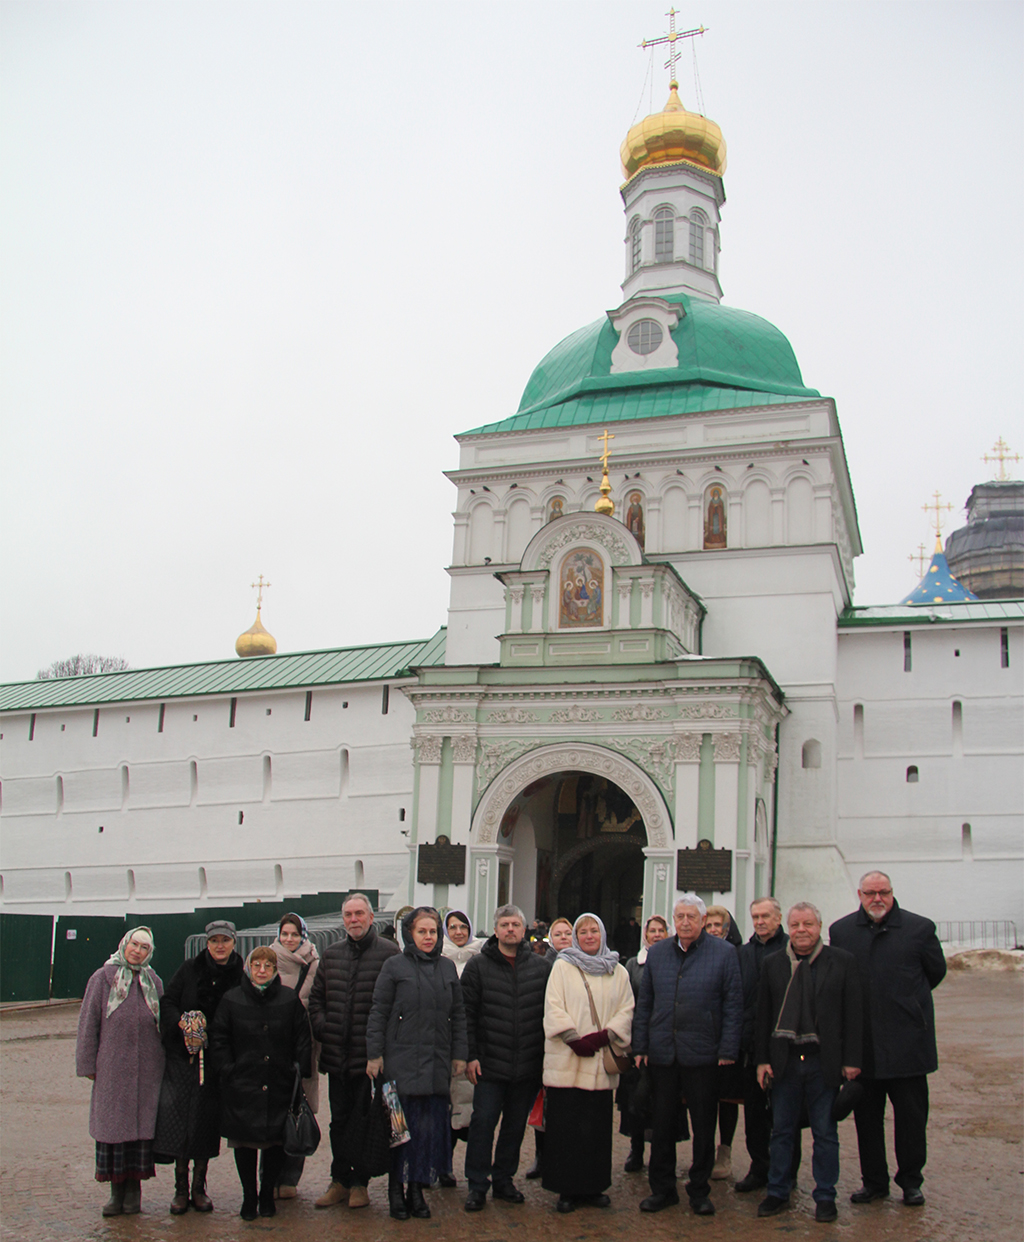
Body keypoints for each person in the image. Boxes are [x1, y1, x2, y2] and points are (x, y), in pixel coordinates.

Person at [829, 870, 947, 1208]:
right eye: (870, 893)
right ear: (860, 895)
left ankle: (911, 1181)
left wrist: (907, 1003)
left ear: (892, 893)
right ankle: (874, 1182)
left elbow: (935, 971)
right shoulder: (842, 932)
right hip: (863, 1046)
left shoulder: (919, 929)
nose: (877, 899)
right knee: (867, 1120)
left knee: (911, 1119)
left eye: (883, 892)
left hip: (908, 1043)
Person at [632, 894, 742, 1217]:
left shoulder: (724, 953)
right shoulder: (659, 953)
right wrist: (641, 1046)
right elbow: (645, 1003)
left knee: (704, 1126)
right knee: (662, 1124)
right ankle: (663, 1189)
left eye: (691, 917)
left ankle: (699, 1190)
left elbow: (733, 1004)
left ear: (703, 920)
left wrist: (728, 1048)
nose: (684, 922)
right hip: (663, 1052)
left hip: (703, 1053)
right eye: (679, 917)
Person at [755, 903, 863, 1223]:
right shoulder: (773, 964)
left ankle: (825, 1196)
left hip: (822, 1061)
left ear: (819, 926)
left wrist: (852, 1060)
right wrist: (762, 1060)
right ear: (788, 927)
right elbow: (763, 1016)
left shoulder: (841, 961)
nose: (801, 930)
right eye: (796, 925)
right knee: (781, 1131)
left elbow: (853, 1014)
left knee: (825, 1132)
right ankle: (777, 1191)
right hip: (785, 1061)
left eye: (808, 924)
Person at [365, 907, 468, 1221]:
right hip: (398, 1065)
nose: (428, 937)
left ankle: (416, 1189)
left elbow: (458, 1015)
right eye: (422, 931)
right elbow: (378, 1011)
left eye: (433, 931)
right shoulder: (394, 966)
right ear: (410, 933)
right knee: (398, 1131)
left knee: (426, 1132)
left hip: (435, 1064)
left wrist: (459, 1054)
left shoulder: (447, 968)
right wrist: (374, 1054)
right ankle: (395, 1189)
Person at [307, 892, 399, 1210]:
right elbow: (316, 1000)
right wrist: (325, 1028)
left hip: (370, 1058)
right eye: (348, 915)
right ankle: (340, 1180)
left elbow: (396, 1005)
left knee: (366, 1121)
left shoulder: (389, 953)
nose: (354, 919)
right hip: (337, 1057)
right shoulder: (331, 954)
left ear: (371, 917)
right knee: (339, 1122)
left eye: (359, 914)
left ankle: (360, 1182)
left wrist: (380, 1047)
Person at [209, 946, 311, 1220]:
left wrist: (296, 1070)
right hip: (242, 1084)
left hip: (278, 1081)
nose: (262, 970)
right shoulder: (232, 999)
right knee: (244, 1143)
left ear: (275, 969)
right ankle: (249, 1195)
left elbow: (302, 1036)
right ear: (249, 968)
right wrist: (227, 1069)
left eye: (268, 966)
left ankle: (267, 1194)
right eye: (257, 965)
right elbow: (219, 1037)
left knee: (275, 1141)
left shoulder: (288, 999)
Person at [541, 912, 634, 1214]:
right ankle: (566, 1188)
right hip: (567, 1061)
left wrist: (605, 1036)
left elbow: (626, 1008)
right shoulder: (563, 967)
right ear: (576, 938)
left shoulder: (618, 971)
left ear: (602, 934)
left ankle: (594, 1186)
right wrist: (573, 1038)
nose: (589, 936)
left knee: (596, 1130)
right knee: (565, 1130)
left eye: (594, 930)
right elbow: (553, 1005)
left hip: (599, 1062)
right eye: (583, 932)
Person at [461, 903, 551, 1212]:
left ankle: (503, 1179)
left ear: (524, 930)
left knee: (514, 1126)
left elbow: (547, 1016)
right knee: (483, 1123)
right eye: (504, 925)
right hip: (489, 1063)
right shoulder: (477, 967)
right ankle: (477, 1184)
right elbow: (466, 1014)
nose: (510, 929)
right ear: (495, 930)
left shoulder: (540, 968)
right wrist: (470, 1055)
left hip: (527, 1064)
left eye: (515, 924)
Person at [154, 919, 244, 1214]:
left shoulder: (239, 974)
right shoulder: (189, 969)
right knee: (181, 1121)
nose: (220, 945)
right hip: (184, 1059)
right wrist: (182, 1024)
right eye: (214, 940)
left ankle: (199, 1187)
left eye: (225, 940)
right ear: (207, 943)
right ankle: (180, 1188)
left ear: (233, 942)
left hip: (215, 1061)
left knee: (205, 1124)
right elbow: (168, 1001)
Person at [76, 927, 165, 1217]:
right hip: (112, 1069)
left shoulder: (153, 981)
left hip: (147, 1071)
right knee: (114, 1130)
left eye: (144, 947)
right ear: (124, 945)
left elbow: (163, 1022)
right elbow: (89, 1023)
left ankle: (134, 1192)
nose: (137, 951)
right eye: (134, 944)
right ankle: (116, 1193)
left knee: (140, 1133)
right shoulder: (102, 978)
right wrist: (87, 1064)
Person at [735, 896, 792, 1192]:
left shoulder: (791, 950)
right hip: (751, 1045)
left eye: (765, 916)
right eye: (755, 917)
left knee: (785, 1115)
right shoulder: (744, 954)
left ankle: (787, 1172)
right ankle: (759, 1168)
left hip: (785, 1045)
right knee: (755, 1114)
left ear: (778, 918)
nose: (760, 922)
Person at [268, 913, 321, 1199]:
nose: (289, 939)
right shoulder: (266, 959)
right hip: (272, 1046)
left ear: (303, 936)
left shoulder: (313, 962)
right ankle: (269, 1177)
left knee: (298, 1108)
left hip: (303, 1044)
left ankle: (290, 1177)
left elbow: (319, 1001)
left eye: (295, 934)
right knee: (272, 1111)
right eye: (285, 934)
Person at [619, 914, 669, 1172]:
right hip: (637, 1039)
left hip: (664, 1040)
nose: (657, 935)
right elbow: (626, 1000)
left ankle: (661, 1153)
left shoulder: (674, 960)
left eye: (661, 930)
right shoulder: (632, 964)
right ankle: (635, 1149)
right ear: (645, 935)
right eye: (653, 931)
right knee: (635, 1098)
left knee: (662, 1099)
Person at [440, 909, 485, 1183]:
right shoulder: (438, 958)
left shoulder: (480, 959)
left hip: (471, 1043)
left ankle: (475, 1171)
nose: (458, 932)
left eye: (463, 927)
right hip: (443, 1045)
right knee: (444, 1110)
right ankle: (443, 1165)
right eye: (453, 927)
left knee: (470, 1111)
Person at [703, 906, 742, 1180]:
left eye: (719, 925)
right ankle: (704, 1151)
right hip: (702, 1040)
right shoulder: (697, 953)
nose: (714, 930)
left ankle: (724, 1150)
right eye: (710, 926)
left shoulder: (737, 955)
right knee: (703, 1098)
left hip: (727, 1039)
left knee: (727, 1099)